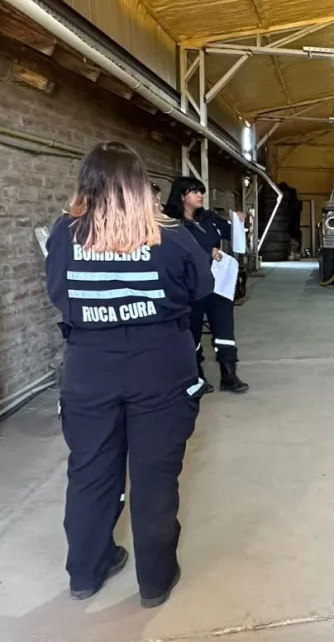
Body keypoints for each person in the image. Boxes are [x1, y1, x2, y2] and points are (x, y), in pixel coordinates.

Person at [45, 142, 213, 607]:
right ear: (141, 184)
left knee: (90, 472)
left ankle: (86, 571)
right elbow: (199, 287)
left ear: (87, 181)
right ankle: (155, 582)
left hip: (89, 368)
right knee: (155, 476)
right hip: (159, 367)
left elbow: (58, 290)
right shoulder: (172, 234)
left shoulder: (65, 232)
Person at [164, 177, 250, 394]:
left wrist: (240, 222)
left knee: (224, 327)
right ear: (182, 196)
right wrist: (205, 254)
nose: (200, 195)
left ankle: (229, 373)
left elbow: (231, 233)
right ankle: (196, 375)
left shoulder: (209, 219)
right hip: (189, 287)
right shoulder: (170, 224)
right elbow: (171, 254)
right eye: (194, 192)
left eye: (201, 191)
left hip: (217, 283)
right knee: (192, 330)